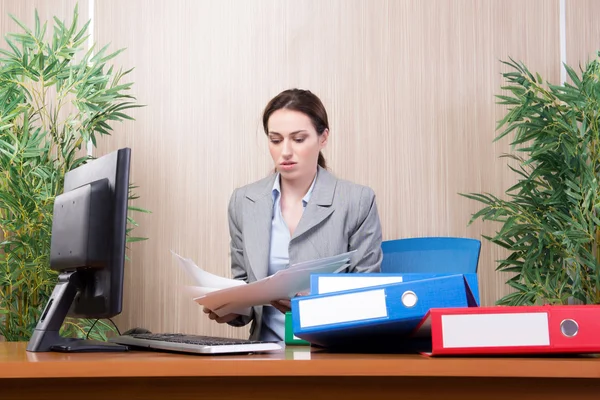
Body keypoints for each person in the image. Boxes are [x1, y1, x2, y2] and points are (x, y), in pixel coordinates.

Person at [203, 89, 383, 342]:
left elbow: (369, 296)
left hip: (331, 355)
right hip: (261, 357)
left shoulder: (357, 201)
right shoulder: (244, 201)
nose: (285, 151)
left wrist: (312, 307)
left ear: (323, 138)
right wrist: (228, 308)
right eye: (275, 140)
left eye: (298, 139)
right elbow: (244, 292)